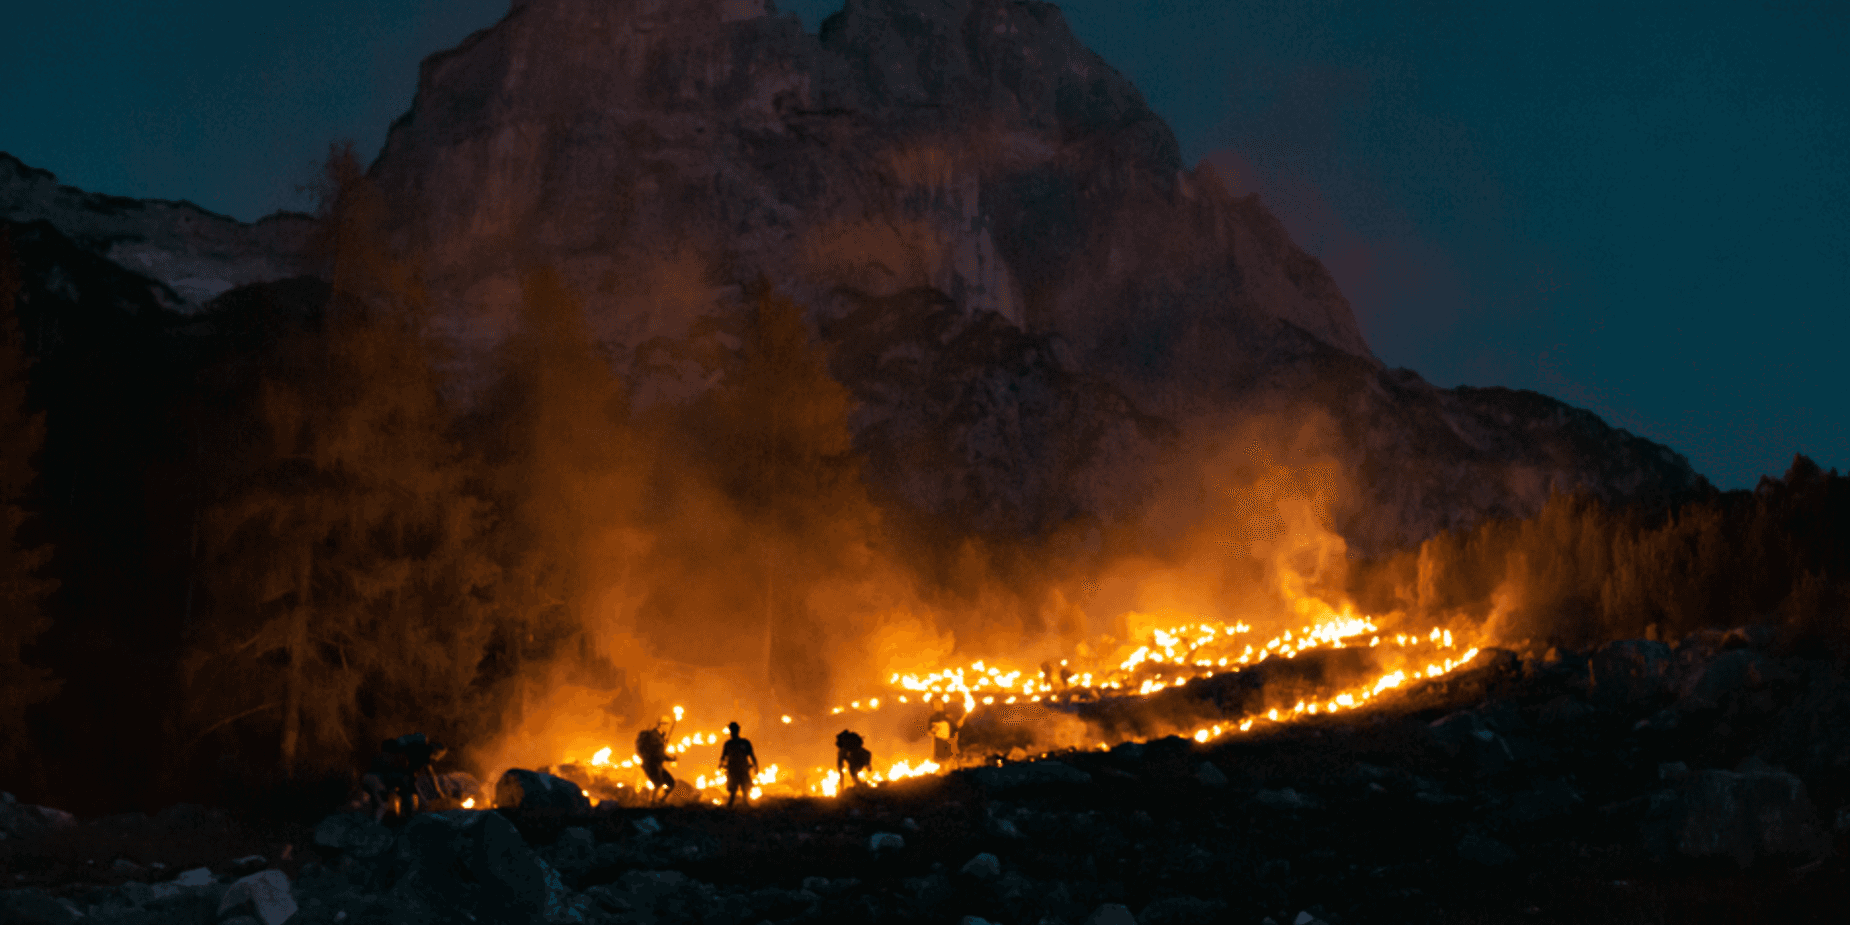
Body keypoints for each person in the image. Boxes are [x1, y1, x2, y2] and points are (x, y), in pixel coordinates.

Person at [719, 721, 758, 808]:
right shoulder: (728, 744)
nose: (732, 732)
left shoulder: (745, 743)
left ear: (737, 731)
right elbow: (723, 756)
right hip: (733, 770)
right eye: (731, 730)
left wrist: (756, 766)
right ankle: (730, 805)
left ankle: (744, 803)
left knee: (745, 788)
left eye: (734, 730)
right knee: (733, 790)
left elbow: (751, 755)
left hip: (743, 768)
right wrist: (721, 764)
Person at [636, 721, 677, 804]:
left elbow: (660, 754)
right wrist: (670, 758)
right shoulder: (654, 738)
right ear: (661, 725)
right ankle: (653, 802)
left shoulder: (659, 739)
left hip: (657, 765)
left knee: (671, 783)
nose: (667, 728)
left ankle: (661, 800)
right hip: (651, 765)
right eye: (666, 725)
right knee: (658, 783)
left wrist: (671, 758)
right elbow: (658, 754)